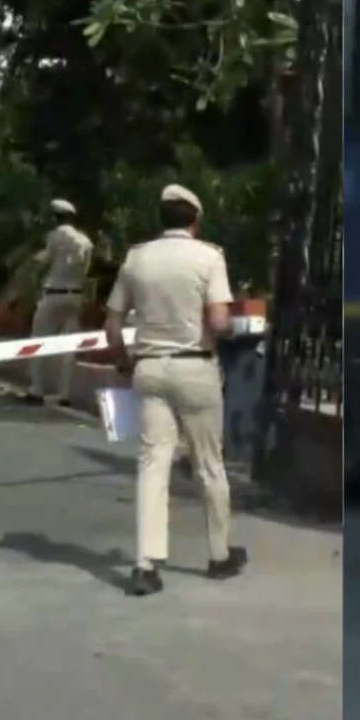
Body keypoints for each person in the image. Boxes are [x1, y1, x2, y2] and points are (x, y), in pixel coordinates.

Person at [103, 184, 247, 597]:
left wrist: (125, 358)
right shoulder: (209, 257)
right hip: (195, 368)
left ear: (161, 219)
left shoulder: (137, 258)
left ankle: (146, 564)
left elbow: (113, 324)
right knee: (209, 463)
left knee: (153, 463)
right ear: (195, 221)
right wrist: (235, 328)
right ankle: (219, 555)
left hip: (149, 368)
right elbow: (219, 321)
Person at [26, 198, 93, 406]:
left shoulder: (54, 236)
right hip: (76, 295)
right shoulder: (85, 241)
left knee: (38, 342)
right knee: (69, 347)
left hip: (54, 293)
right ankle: (64, 394)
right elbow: (87, 271)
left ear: (56, 218)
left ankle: (37, 389)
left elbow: (43, 262)